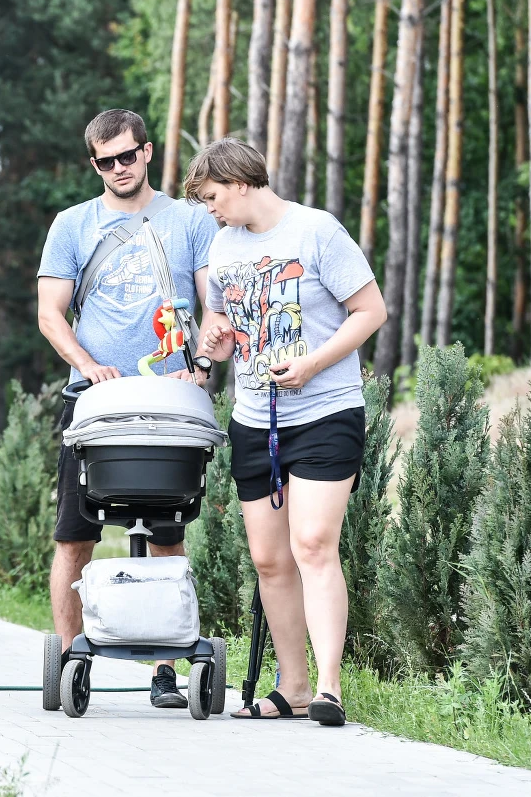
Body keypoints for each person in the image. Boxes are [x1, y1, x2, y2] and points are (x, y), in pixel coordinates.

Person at [185, 138, 387, 726]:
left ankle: (329, 689)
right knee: (270, 559)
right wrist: (215, 340)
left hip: (325, 412)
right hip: (254, 418)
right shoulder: (222, 246)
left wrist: (313, 363)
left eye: (214, 196)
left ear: (241, 183)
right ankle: (292, 686)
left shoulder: (317, 231)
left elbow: (371, 311)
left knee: (313, 544)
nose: (211, 209)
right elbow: (224, 324)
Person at [37, 108, 220, 709]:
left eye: (126, 155)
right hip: (93, 406)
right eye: (104, 161)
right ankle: (71, 659)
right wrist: (86, 364)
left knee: (169, 534)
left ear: (146, 152)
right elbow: (50, 313)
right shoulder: (72, 224)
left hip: (170, 403)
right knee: (75, 535)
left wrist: (202, 364)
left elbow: (210, 298)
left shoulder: (190, 220)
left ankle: (166, 668)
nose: (117, 168)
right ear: (95, 165)